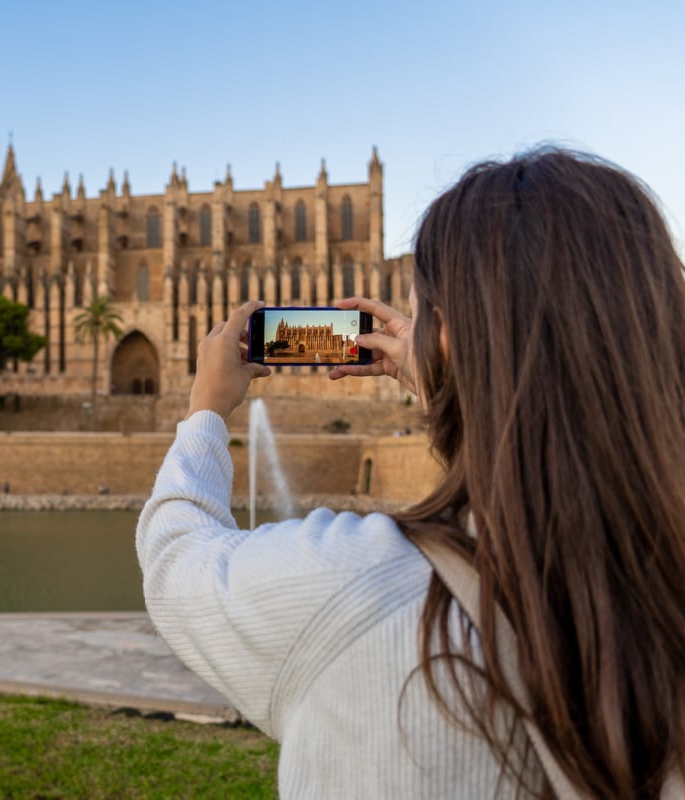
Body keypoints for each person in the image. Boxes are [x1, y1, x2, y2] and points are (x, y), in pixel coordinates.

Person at [136, 148, 685, 798]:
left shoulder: (354, 586)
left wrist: (206, 407)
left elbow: (177, 559)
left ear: (445, 340)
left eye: (425, 315)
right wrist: (459, 386)